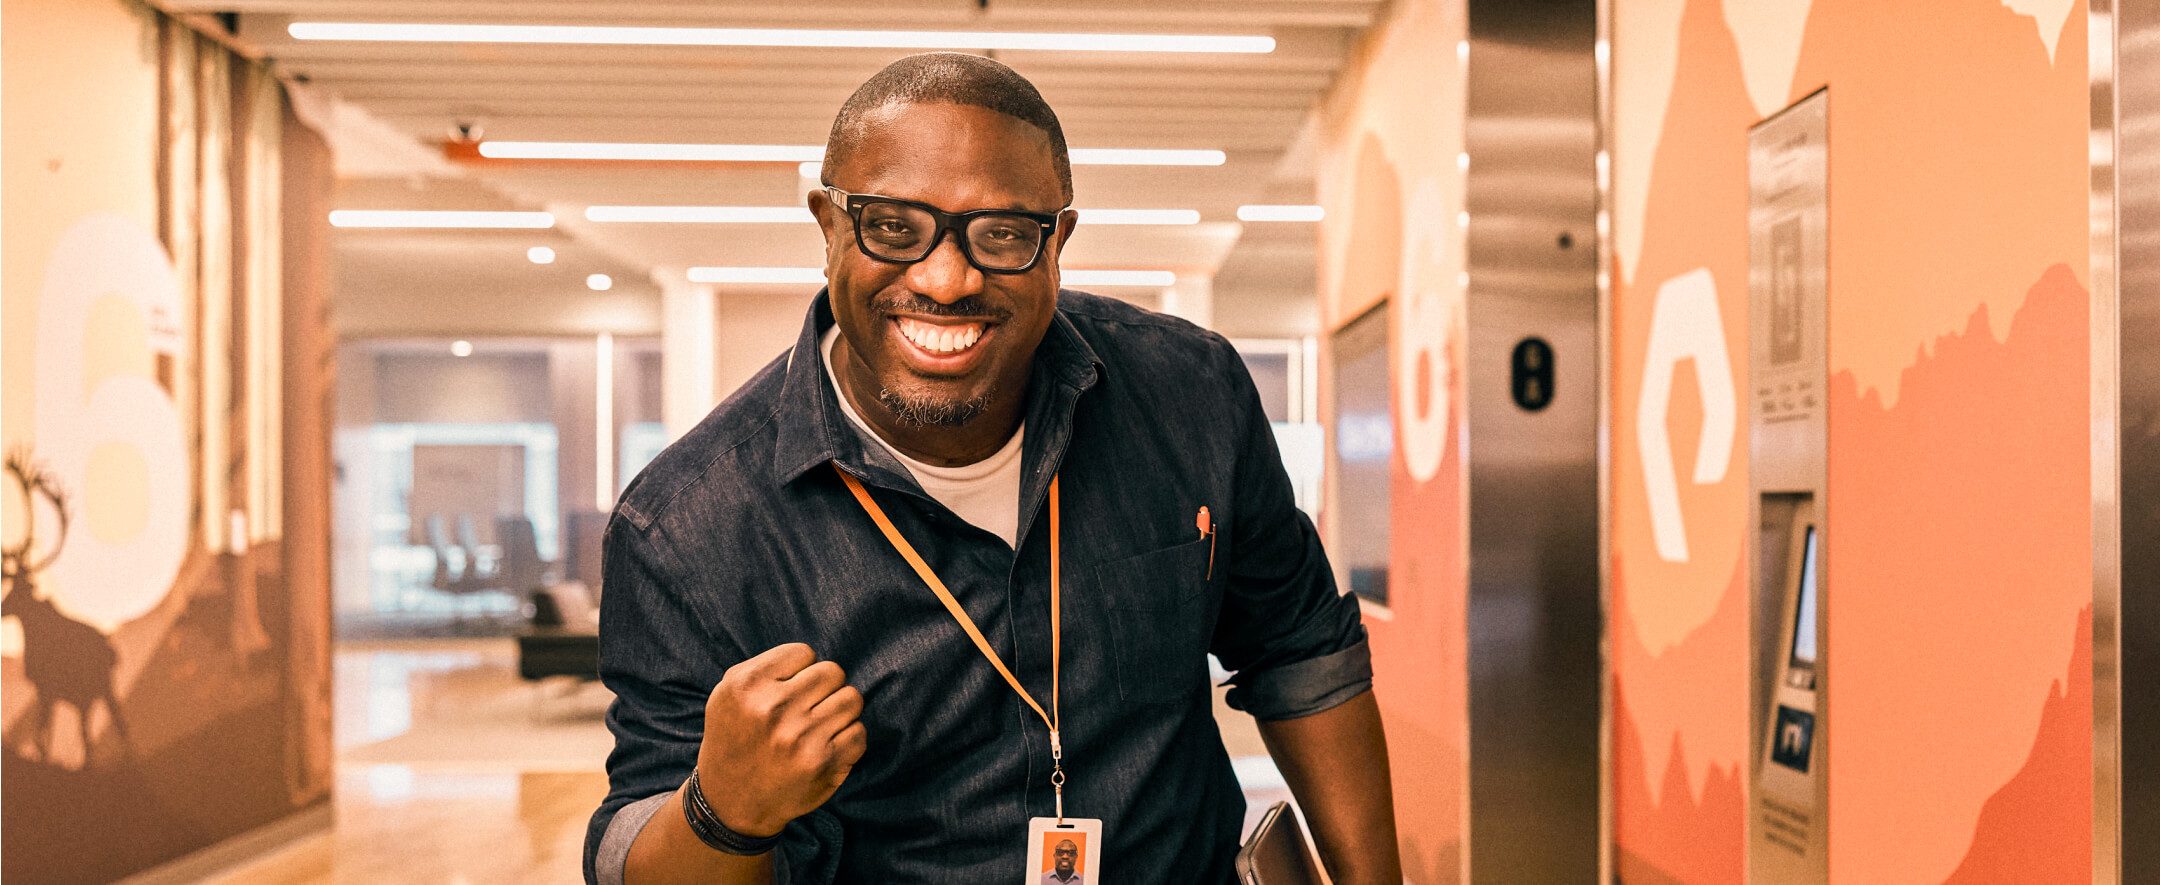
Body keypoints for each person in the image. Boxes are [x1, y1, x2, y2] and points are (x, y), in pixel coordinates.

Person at [585, 51, 1400, 885]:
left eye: (1003, 234)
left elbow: (1302, 650)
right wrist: (723, 811)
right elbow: (633, 846)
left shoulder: (1188, 395)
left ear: (1058, 243)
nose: (947, 278)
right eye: (893, 226)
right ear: (829, 228)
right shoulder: (686, 525)